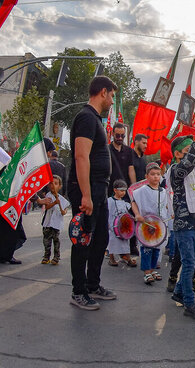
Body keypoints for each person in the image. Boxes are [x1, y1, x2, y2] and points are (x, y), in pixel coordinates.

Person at [68, 76, 118, 310]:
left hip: (100, 187)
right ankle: (78, 292)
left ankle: (92, 285)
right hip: (86, 189)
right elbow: (81, 157)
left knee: (100, 239)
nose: (112, 101)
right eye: (112, 96)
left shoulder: (96, 119)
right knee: (83, 240)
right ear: (103, 93)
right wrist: (86, 196)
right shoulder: (86, 117)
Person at [169, 118, 195, 321]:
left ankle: (179, 291)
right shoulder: (177, 171)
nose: (191, 152)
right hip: (184, 224)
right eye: (186, 149)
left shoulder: (194, 171)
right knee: (188, 263)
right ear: (177, 154)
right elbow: (192, 159)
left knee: (192, 262)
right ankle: (189, 302)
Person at [132, 163, 169, 285]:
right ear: (146, 176)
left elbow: (166, 205)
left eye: (158, 174)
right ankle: (147, 272)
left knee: (157, 248)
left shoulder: (163, 191)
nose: (155, 177)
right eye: (152, 174)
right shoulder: (141, 190)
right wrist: (137, 214)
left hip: (159, 225)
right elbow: (134, 202)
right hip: (146, 224)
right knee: (147, 248)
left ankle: (152, 269)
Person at [39, 175, 68, 265]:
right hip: (47, 223)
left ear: (59, 186)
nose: (53, 186)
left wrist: (64, 211)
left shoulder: (62, 199)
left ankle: (56, 257)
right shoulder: (48, 196)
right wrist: (55, 202)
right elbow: (47, 207)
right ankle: (46, 256)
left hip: (56, 224)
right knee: (46, 241)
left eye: (55, 184)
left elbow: (65, 209)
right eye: (51, 183)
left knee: (56, 241)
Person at [106, 180, 135, 267]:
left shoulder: (124, 203)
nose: (123, 193)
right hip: (112, 227)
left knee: (126, 242)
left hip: (123, 227)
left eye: (124, 191)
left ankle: (127, 258)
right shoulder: (109, 201)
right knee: (112, 242)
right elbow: (107, 213)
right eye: (121, 191)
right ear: (115, 190)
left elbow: (129, 212)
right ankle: (111, 259)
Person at [108, 122, 134, 198]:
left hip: (125, 190)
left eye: (122, 136)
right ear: (112, 134)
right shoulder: (107, 150)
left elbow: (131, 170)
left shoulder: (129, 151)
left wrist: (134, 187)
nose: (120, 138)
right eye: (117, 135)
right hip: (111, 190)